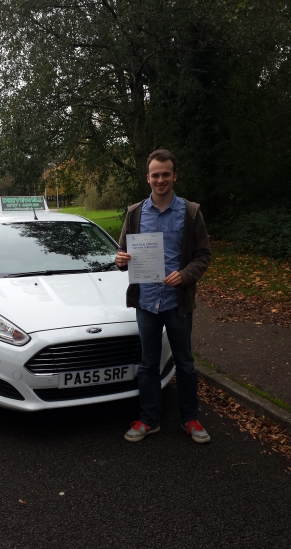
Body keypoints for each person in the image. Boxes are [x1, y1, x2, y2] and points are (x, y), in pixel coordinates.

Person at [115, 149, 211, 443]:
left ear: (174, 176)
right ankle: (149, 420)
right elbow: (122, 253)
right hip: (146, 302)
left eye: (165, 174)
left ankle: (190, 419)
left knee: (185, 363)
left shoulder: (191, 212)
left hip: (176, 302)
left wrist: (186, 275)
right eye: (155, 175)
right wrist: (120, 261)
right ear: (148, 178)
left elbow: (203, 256)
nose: (160, 180)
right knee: (148, 364)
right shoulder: (134, 213)